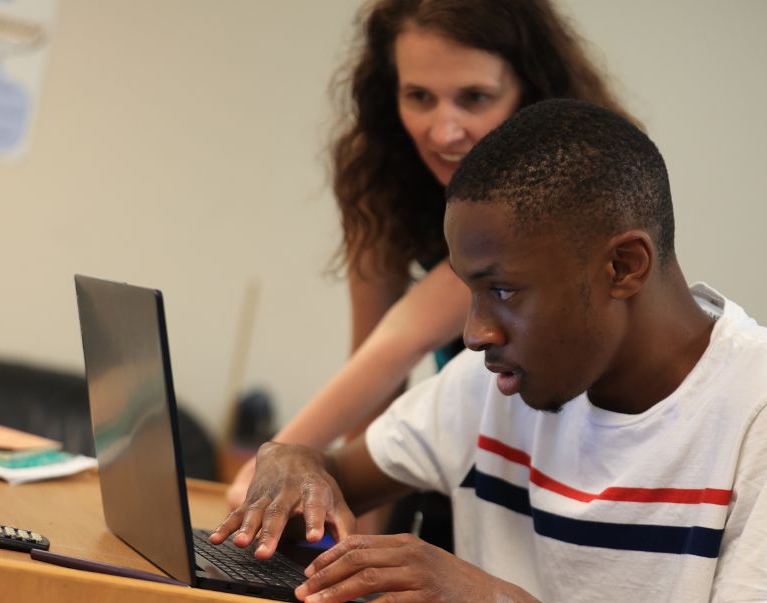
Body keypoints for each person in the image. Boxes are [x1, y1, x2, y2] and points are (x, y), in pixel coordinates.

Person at [211, 100, 767, 603]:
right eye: (470, 292)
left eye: (502, 291)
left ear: (623, 266)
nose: (474, 333)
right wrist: (295, 461)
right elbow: (333, 477)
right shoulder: (492, 382)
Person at [225, 0, 634, 546]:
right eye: (419, 96)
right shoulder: (381, 176)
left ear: (530, 90)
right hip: (462, 461)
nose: (443, 132)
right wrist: (347, 541)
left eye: (475, 98)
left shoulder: (573, 183)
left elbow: (403, 338)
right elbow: (373, 368)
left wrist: (267, 472)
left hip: (571, 470)